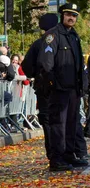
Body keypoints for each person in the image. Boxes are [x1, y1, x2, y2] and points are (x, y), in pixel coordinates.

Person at [36, 3, 88, 171]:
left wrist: (81, 86)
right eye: (68, 14)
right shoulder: (53, 35)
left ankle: (68, 155)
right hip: (59, 89)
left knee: (72, 124)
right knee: (58, 124)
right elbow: (46, 63)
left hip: (73, 88)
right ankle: (57, 159)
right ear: (62, 15)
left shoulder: (73, 36)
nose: (71, 18)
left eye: (74, 15)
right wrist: (52, 85)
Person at [21, 13, 59, 159]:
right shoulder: (59, 40)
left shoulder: (38, 43)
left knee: (48, 120)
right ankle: (61, 153)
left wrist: (36, 75)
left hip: (43, 87)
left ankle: (52, 153)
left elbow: (27, 66)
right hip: (56, 86)